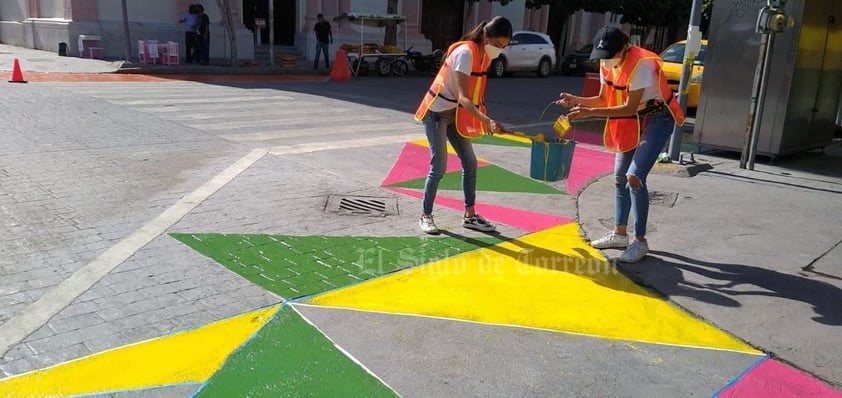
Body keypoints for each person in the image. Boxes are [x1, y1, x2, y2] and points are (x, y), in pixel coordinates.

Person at [556, 25, 685, 263]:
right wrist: (576, 100)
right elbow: (604, 98)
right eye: (602, 57)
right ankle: (619, 234)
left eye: (609, 56)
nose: (605, 62)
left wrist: (588, 113)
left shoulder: (641, 65)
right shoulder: (608, 62)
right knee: (619, 176)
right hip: (630, 118)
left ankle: (640, 241)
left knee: (634, 176)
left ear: (624, 49)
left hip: (656, 118)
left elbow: (626, 106)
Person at [413, 16, 513, 235]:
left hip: (456, 114)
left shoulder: (483, 55)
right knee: (438, 167)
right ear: (486, 36)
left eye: (503, 48)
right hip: (437, 113)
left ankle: (470, 216)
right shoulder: (465, 54)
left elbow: (475, 96)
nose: (498, 51)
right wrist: (486, 120)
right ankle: (426, 215)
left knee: (470, 163)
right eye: (497, 45)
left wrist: (486, 119)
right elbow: (464, 97)